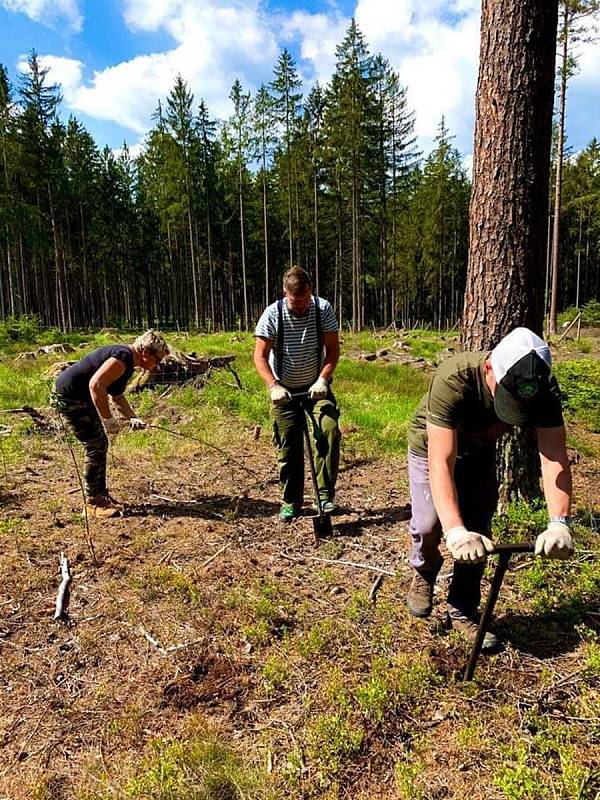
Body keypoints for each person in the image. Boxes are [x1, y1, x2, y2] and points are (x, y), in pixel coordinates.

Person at [405, 327, 573, 649]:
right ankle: (425, 570)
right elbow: (441, 461)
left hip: (480, 450)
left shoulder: (544, 387)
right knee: (429, 523)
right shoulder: (453, 378)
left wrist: (559, 523)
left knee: (479, 528)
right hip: (432, 446)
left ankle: (462, 608)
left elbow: (553, 456)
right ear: (488, 369)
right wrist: (454, 531)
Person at [254, 266, 341, 522]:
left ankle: (324, 495)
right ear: (285, 294)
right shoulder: (272, 314)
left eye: (305, 300)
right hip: (285, 391)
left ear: (311, 292)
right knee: (288, 442)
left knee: (329, 430)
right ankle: (291, 500)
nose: (301, 306)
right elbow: (259, 356)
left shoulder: (322, 309)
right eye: (295, 301)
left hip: (316, 388)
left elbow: (333, 351)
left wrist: (323, 379)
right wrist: (273, 385)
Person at [52, 330, 169, 518]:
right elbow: (96, 385)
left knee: (99, 444)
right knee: (96, 444)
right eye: (157, 360)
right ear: (146, 351)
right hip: (70, 397)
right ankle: (92, 503)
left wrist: (132, 417)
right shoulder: (123, 357)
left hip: (78, 396)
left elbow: (117, 396)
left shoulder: (127, 362)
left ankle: (100, 495)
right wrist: (108, 420)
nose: (158, 365)